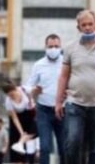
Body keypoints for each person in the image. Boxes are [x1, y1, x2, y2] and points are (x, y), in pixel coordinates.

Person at [55, 10, 95, 164]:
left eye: (90, 24)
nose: (87, 28)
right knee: (73, 141)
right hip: (75, 103)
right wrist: (58, 102)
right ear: (78, 28)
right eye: (83, 25)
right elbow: (63, 75)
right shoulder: (70, 48)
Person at [27, 34, 65, 164]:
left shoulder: (66, 63)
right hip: (43, 111)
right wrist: (34, 90)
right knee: (44, 147)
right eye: (50, 46)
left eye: (56, 46)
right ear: (45, 47)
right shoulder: (38, 65)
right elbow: (28, 86)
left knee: (64, 147)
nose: (53, 49)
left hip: (63, 110)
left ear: (61, 47)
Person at [3, 83, 38, 164]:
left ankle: (21, 143)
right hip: (17, 119)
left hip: (28, 115)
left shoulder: (24, 90)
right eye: (9, 95)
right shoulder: (8, 101)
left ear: (16, 89)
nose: (11, 96)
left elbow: (35, 89)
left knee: (35, 131)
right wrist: (21, 132)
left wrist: (32, 99)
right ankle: (18, 152)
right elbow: (14, 118)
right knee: (16, 140)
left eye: (12, 94)